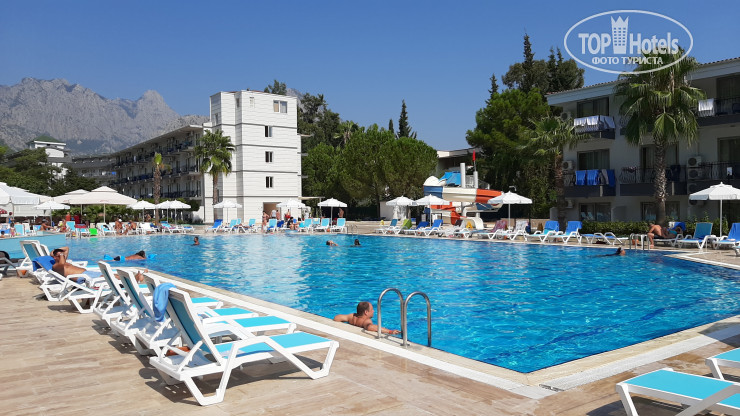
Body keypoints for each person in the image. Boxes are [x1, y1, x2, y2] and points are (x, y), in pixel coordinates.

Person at [334, 301, 400, 335]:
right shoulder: (366, 320)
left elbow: (337, 318)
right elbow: (370, 327)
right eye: (371, 310)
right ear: (366, 312)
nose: (373, 311)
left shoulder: (352, 316)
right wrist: (390, 331)